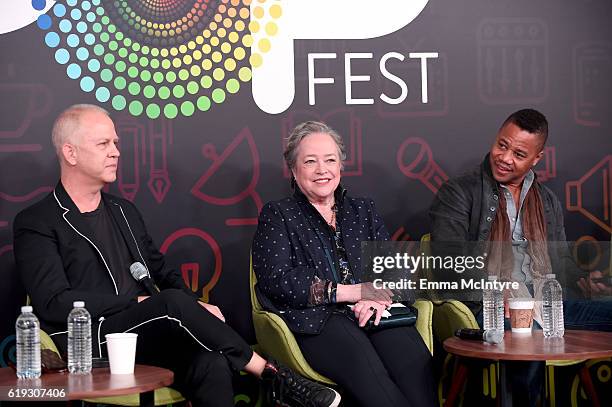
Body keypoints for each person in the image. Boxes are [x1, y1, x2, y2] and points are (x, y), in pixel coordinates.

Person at [13, 104, 340, 407]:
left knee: (210, 361)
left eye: (115, 142)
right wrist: (138, 304)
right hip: (90, 343)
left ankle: (273, 378)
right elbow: (52, 301)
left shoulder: (122, 211)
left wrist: (194, 305)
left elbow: (160, 271)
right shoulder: (38, 221)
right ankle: (273, 375)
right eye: (103, 145)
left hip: (148, 335)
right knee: (169, 302)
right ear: (70, 152)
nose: (115, 152)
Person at [429, 108, 612, 405]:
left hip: (548, 304)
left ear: (536, 159)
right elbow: (448, 265)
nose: (505, 157)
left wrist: (584, 282)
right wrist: (495, 291)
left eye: (518, 153)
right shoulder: (459, 192)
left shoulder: (547, 201)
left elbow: (560, 264)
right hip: (490, 308)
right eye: (502, 145)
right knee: (526, 333)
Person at [252, 121, 435, 407]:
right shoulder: (278, 215)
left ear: (341, 165)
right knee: (371, 375)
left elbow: (394, 268)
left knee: (415, 365)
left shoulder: (363, 209)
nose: (322, 169)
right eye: (310, 161)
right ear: (293, 168)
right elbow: (278, 280)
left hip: (374, 309)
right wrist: (350, 292)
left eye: (330, 160)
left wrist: (376, 298)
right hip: (318, 320)